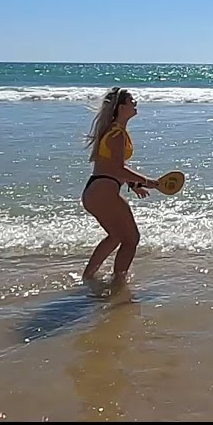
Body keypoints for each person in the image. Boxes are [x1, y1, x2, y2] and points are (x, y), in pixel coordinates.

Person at [81, 87, 161, 289]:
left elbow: (110, 166)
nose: (136, 104)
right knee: (131, 238)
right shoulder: (116, 134)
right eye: (132, 101)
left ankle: (88, 277)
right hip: (104, 188)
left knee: (116, 236)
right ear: (121, 107)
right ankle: (119, 283)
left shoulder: (114, 131)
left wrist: (133, 184)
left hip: (96, 190)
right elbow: (117, 168)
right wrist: (146, 181)